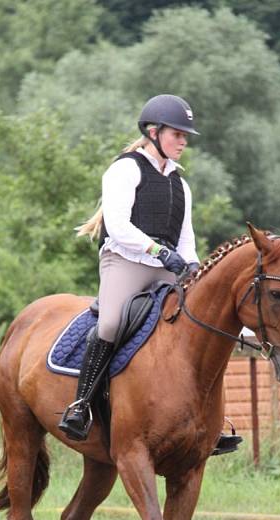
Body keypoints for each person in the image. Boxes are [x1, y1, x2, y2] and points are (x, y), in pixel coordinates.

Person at [58, 94, 241, 456]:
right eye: (178, 134)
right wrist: (159, 252)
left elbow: (185, 239)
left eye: (186, 136)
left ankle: (211, 423)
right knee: (110, 323)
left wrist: (192, 267)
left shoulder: (180, 185)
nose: (184, 141)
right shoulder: (125, 170)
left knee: (200, 326)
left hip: (166, 268)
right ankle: (80, 407)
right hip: (125, 262)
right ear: (153, 132)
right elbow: (120, 226)